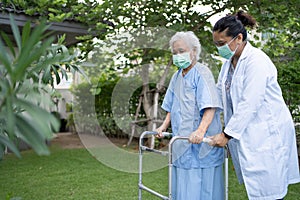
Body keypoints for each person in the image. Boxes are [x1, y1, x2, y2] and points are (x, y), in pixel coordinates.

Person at [209, 10, 300, 200]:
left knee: (270, 190)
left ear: (239, 38)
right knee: (259, 189)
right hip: (250, 134)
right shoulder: (228, 64)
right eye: (216, 44)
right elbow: (218, 95)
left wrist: (227, 134)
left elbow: (250, 102)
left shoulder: (256, 61)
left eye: (222, 44)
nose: (219, 49)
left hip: (268, 134)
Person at [156, 31, 224, 200]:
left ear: (194, 51)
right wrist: (163, 126)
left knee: (202, 188)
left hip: (201, 144)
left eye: (181, 51)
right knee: (183, 186)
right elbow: (172, 105)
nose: (177, 55)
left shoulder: (202, 73)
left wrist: (200, 131)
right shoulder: (177, 76)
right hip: (182, 141)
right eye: (174, 53)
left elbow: (210, 107)